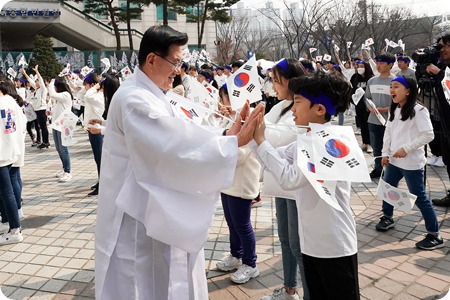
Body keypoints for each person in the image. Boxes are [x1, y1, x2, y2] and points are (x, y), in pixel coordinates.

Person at [94, 25, 258, 300]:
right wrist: (231, 144)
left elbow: (183, 133)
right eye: (176, 62)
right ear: (152, 60)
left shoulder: (153, 93)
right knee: (142, 283)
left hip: (155, 207)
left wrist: (224, 136)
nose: (179, 70)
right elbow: (170, 149)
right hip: (136, 216)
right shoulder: (135, 99)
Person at [242, 71, 359, 300]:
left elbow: (289, 178)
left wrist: (260, 139)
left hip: (334, 245)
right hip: (313, 242)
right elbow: (273, 157)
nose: (292, 110)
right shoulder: (305, 139)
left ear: (319, 109)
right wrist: (251, 132)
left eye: (297, 103)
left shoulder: (329, 142)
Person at [260, 58, 310, 300]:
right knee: (285, 239)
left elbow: (278, 138)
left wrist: (255, 130)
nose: (273, 86)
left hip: (295, 182)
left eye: (277, 81)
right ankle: (289, 288)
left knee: (298, 244)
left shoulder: (302, 107)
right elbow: (266, 129)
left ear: (292, 81)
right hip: (280, 181)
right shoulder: (279, 106)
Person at [377, 76, 444, 249]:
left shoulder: (418, 110)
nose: (392, 90)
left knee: (419, 197)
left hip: (412, 163)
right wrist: (385, 153)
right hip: (393, 160)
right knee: (387, 188)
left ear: (408, 90)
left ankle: (435, 235)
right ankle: (387, 217)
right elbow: (388, 133)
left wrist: (407, 149)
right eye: (391, 86)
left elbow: (428, 135)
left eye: (396, 86)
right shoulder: (395, 109)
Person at [215, 85, 261, 284]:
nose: (223, 103)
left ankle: (250, 264)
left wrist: (220, 148)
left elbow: (240, 154)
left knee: (242, 226)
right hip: (228, 182)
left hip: (241, 184)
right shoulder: (233, 119)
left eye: (225, 98)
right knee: (232, 223)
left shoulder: (251, 120)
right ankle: (236, 255)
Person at [0, 77, 27, 245]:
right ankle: (6, 222)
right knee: (5, 192)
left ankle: (15, 230)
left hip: (2, 152)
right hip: (10, 150)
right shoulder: (10, 100)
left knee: (6, 193)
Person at [426, 32, 450, 207]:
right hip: (444, 120)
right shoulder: (443, 65)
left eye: (444, 46)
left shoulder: (444, 70)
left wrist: (440, 73)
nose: (441, 50)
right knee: (448, 159)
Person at [365, 53, 396, 179]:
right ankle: (378, 168)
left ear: (390, 65)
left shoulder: (395, 81)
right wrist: (370, 107)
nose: (378, 66)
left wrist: (386, 109)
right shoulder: (371, 81)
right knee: (376, 146)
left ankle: (390, 171)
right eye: (377, 63)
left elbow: (400, 101)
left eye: (381, 63)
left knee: (389, 147)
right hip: (373, 120)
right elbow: (367, 97)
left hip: (390, 120)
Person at [48, 79, 73, 182]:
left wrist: (50, 83)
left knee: (63, 148)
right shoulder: (61, 97)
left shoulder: (66, 95)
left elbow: (52, 94)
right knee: (59, 148)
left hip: (64, 124)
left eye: (55, 86)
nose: (54, 88)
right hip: (57, 125)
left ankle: (68, 171)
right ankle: (64, 168)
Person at [83, 72, 104, 195]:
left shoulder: (97, 96)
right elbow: (83, 94)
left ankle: (102, 184)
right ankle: (100, 180)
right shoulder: (94, 95)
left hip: (97, 131)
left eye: (86, 85)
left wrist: (95, 86)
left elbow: (87, 96)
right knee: (98, 159)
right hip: (92, 130)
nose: (84, 87)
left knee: (100, 159)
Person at [22, 66, 50, 149]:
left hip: (42, 109)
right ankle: (44, 141)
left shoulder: (43, 89)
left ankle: (46, 142)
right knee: (41, 126)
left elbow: (41, 80)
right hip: (37, 110)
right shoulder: (37, 89)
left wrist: (37, 72)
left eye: (36, 81)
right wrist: (25, 74)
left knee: (43, 126)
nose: (35, 82)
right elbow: (31, 82)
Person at [350, 61, 374, 152]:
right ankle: (365, 143)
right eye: (358, 66)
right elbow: (352, 90)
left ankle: (371, 143)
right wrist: (352, 100)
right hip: (359, 104)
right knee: (362, 124)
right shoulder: (354, 77)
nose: (359, 68)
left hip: (369, 105)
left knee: (369, 124)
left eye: (361, 66)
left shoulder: (371, 78)